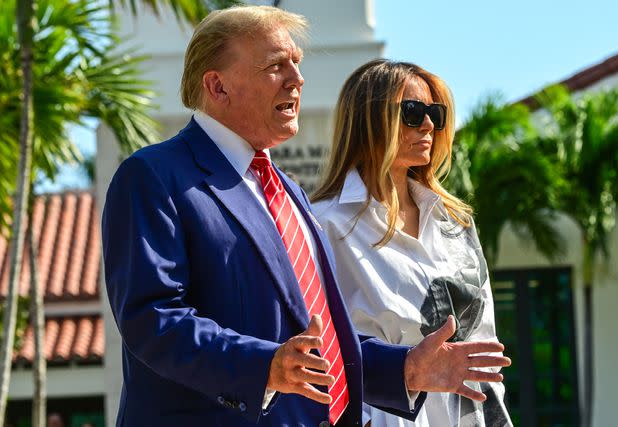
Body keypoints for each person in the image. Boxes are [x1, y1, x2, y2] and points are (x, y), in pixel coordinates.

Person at [102, 6, 510, 427]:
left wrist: (404, 369)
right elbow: (152, 320)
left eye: (297, 64)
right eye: (276, 66)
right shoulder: (153, 176)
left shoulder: (288, 191)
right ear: (217, 85)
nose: (297, 79)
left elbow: (322, 341)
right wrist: (265, 366)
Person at [312, 59, 512, 427]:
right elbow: (317, 345)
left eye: (435, 113)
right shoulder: (324, 224)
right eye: (412, 111)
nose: (428, 125)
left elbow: (484, 342)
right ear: (369, 119)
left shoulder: (456, 224)